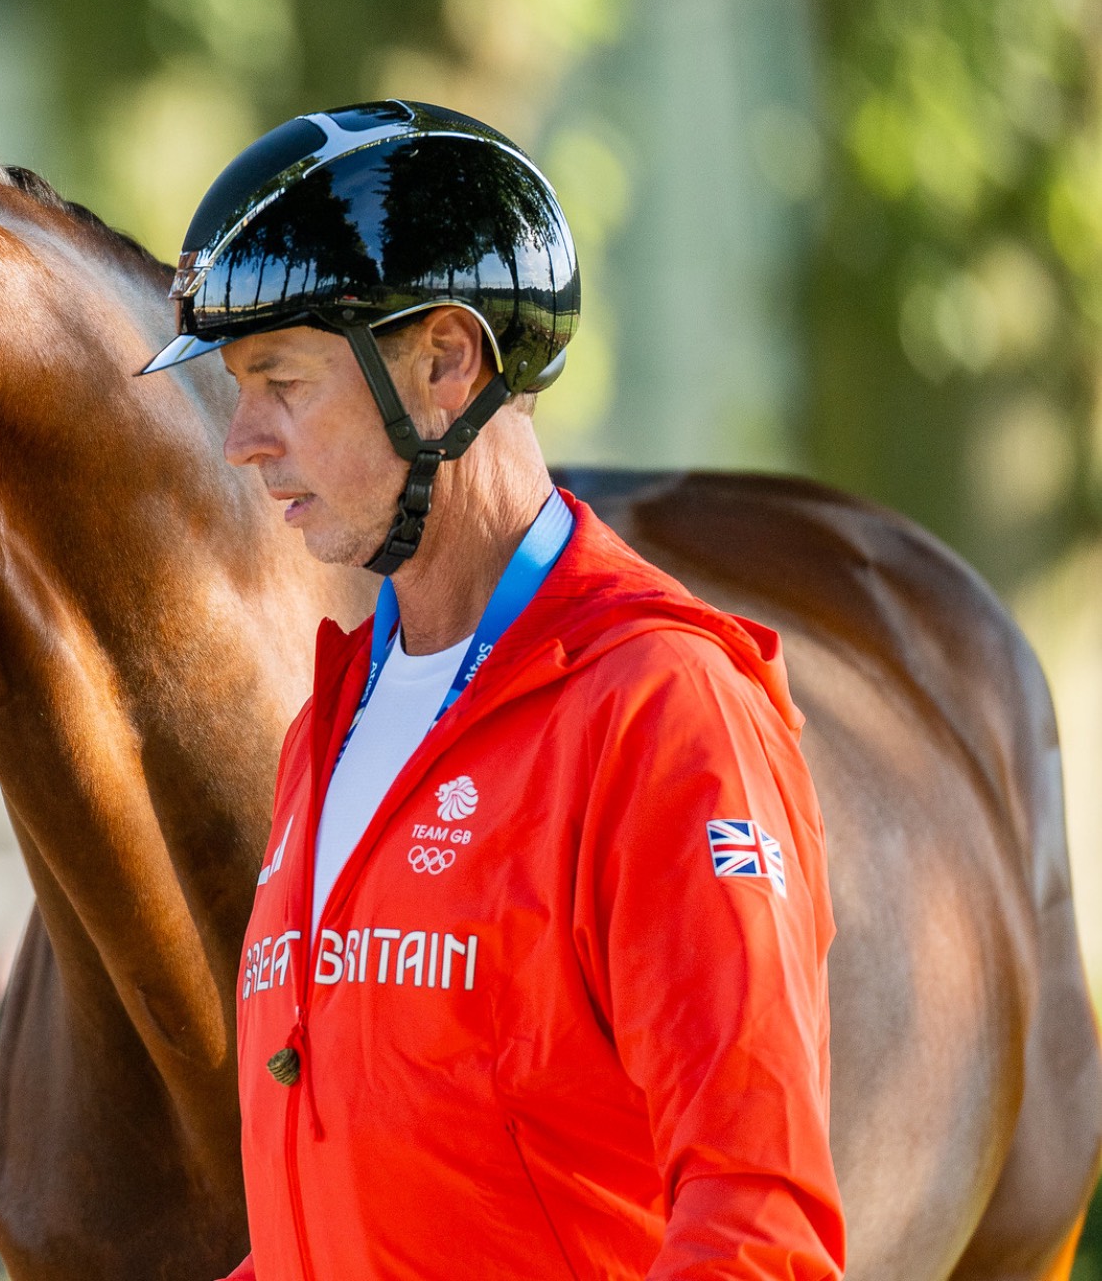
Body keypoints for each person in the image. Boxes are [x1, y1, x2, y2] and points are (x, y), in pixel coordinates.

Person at [140, 102, 844, 1280]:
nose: (243, 440)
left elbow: (757, 1220)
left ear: (445, 362)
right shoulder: (330, 723)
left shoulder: (664, 712)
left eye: (283, 382)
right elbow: (376, 1205)